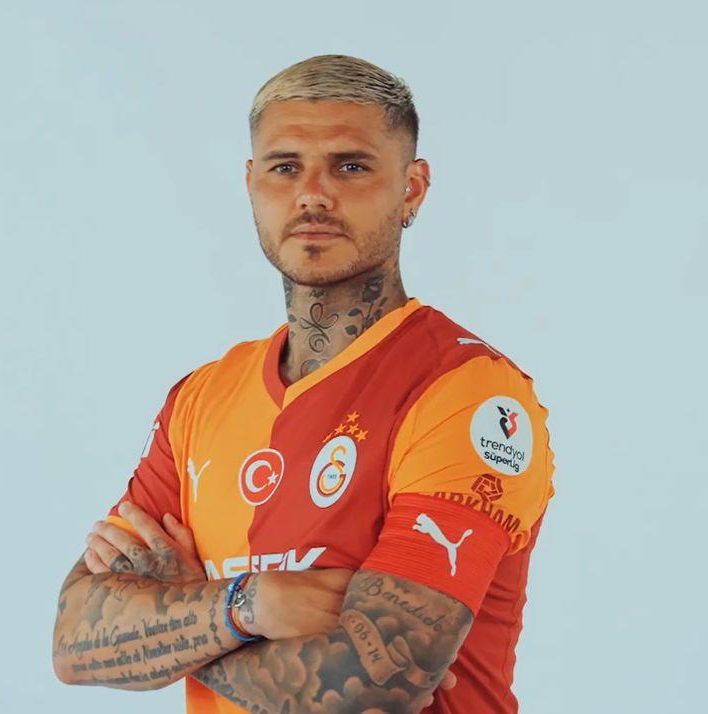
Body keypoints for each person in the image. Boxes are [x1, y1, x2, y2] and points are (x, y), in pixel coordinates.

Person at [52, 54, 556, 714]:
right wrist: (245, 605)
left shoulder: (466, 393)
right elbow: (74, 642)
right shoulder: (200, 398)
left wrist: (184, 614)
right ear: (251, 184)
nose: (312, 193)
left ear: (411, 189)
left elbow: (372, 689)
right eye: (285, 167)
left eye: (350, 166)